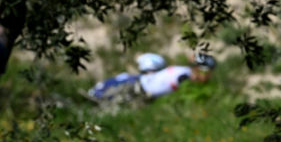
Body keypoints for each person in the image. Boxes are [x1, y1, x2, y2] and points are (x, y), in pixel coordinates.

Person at [87, 52, 215, 103]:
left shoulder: (181, 71)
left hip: (140, 87)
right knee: (108, 95)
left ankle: (92, 98)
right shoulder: (184, 74)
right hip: (137, 86)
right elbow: (192, 79)